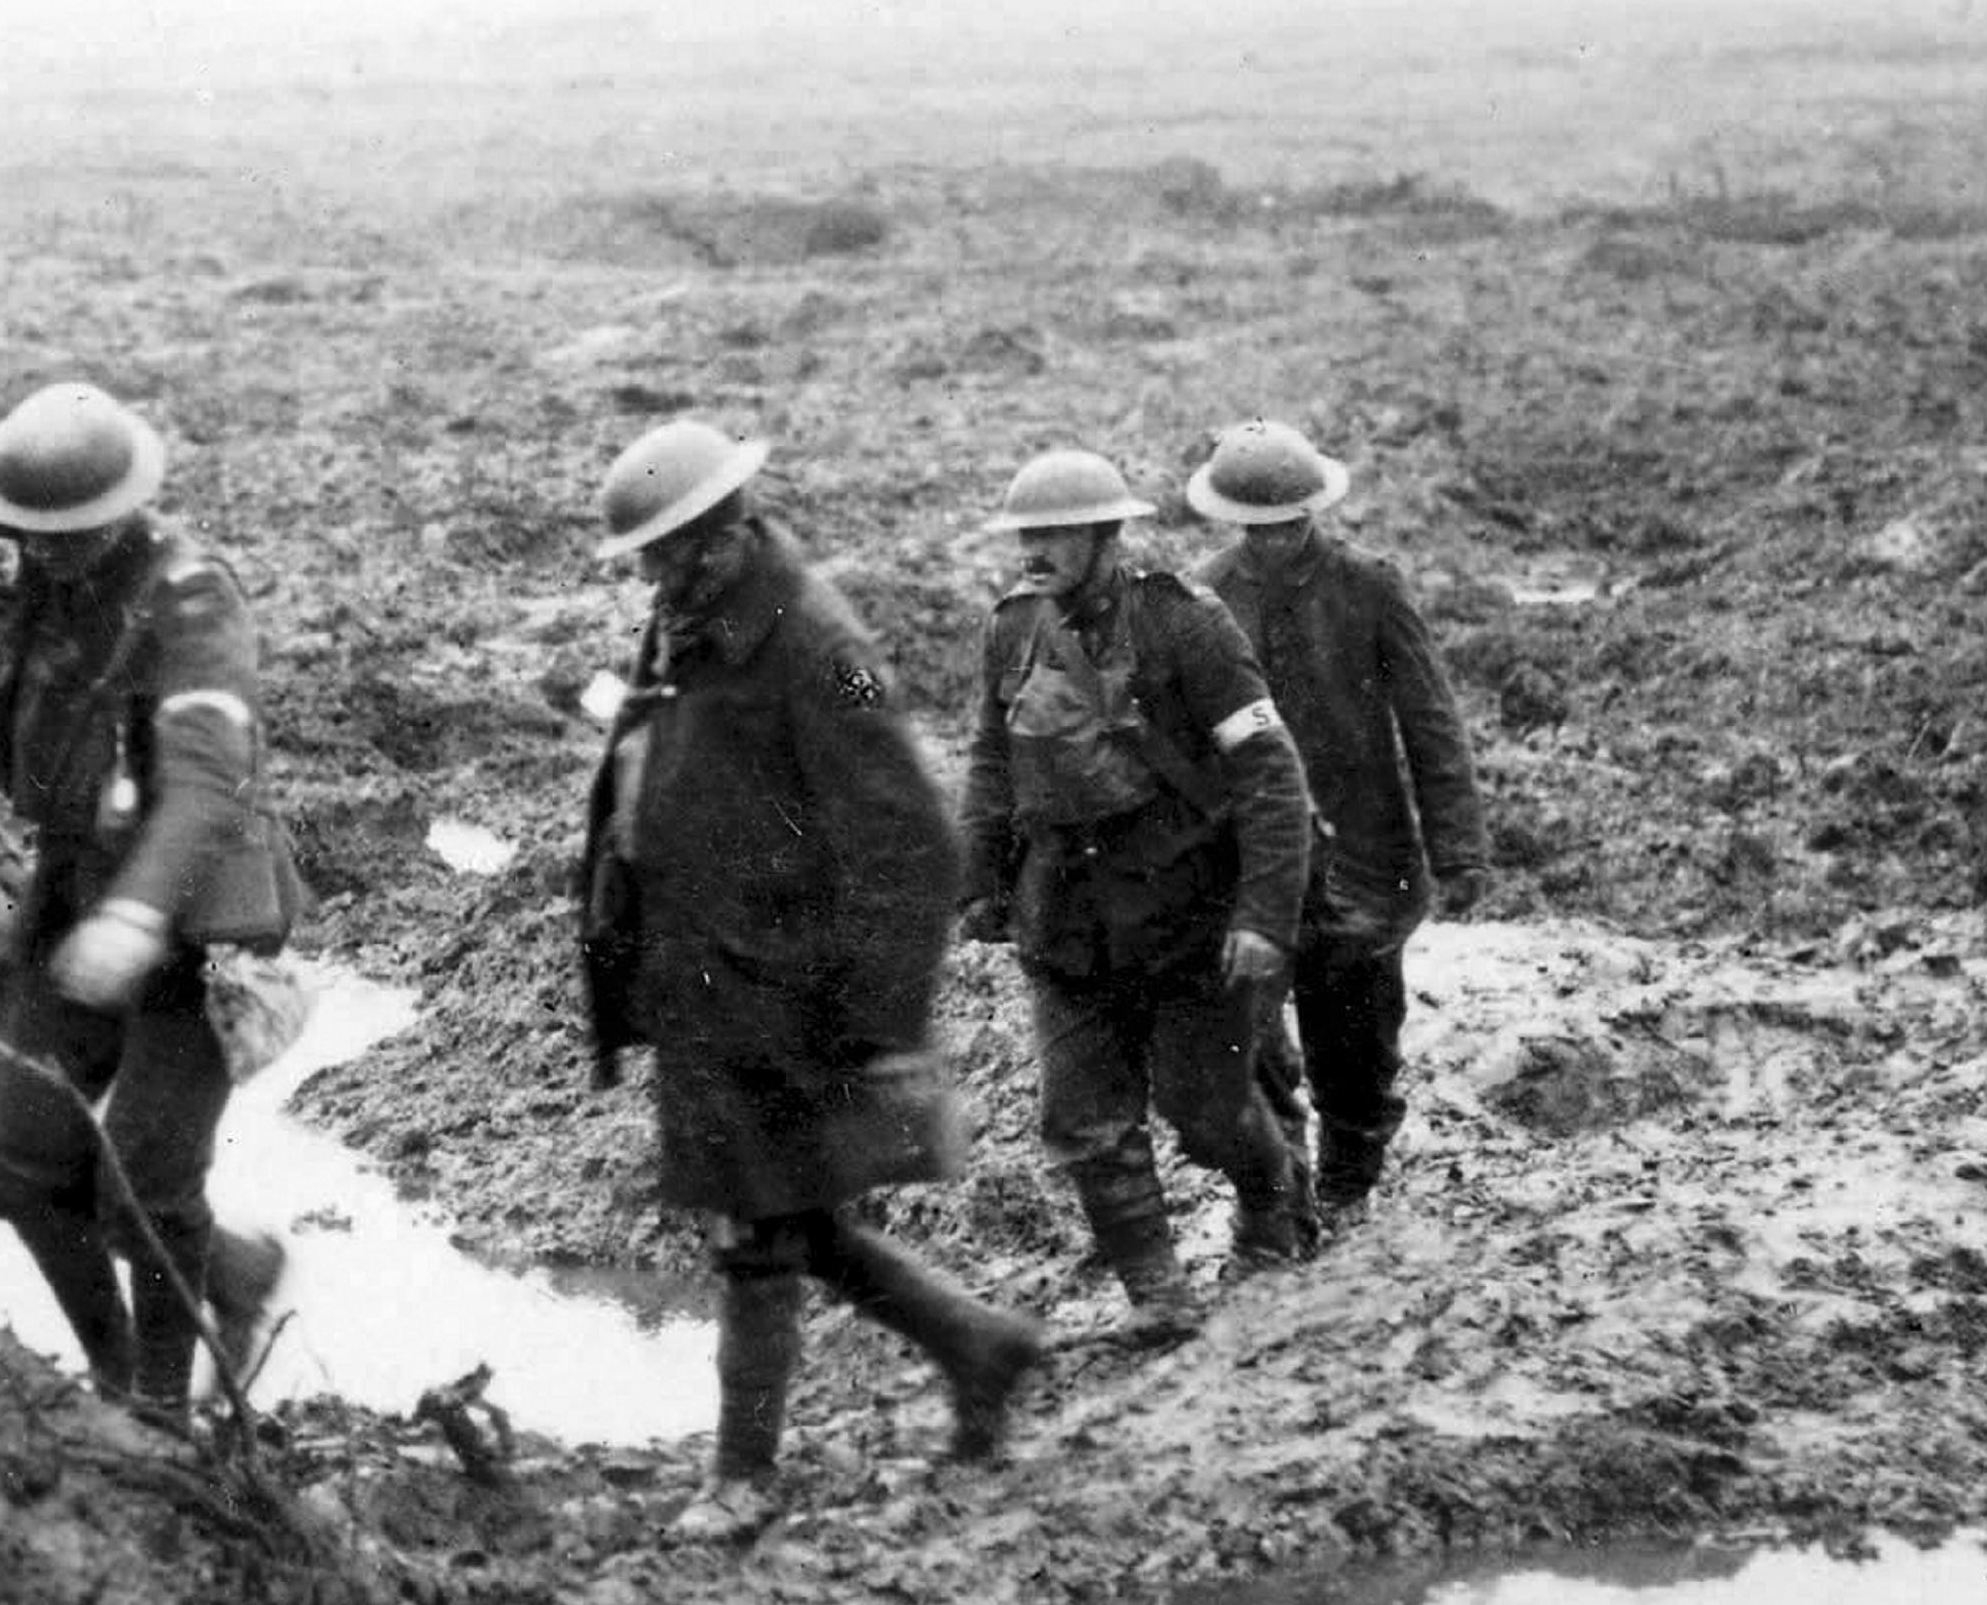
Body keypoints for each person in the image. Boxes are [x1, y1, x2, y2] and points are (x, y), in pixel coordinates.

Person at [578, 421, 1046, 1541]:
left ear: (724, 531)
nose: (652, 573)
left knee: (760, 1229)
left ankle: (742, 1480)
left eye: (668, 550)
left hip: (790, 984)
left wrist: (877, 1022)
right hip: (709, 973)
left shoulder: (821, 641)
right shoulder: (689, 618)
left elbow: (916, 837)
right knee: (787, 1213)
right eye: (645, 556)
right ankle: (981, 1345)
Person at [0, 382, 300, 1427]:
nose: (44, 551)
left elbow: (205, 780)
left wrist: (137, 916)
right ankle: (231, 1274)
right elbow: (15, 775)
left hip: (196, 927)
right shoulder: (46, 594)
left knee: (145, 1174)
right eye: (30, 534)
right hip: (73, 901)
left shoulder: (190, 595)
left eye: (67, 533)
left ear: (121, 511)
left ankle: (156, 1406)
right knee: (17, 1142)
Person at [960, 446, 1320, 1345]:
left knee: (1202, 1114)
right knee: (1082, 1120)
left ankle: (1273, 1210)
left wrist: (1264, 916)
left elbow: (1270, 774)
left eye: (1056, 534)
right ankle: (1159, 1292)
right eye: (1025, 534)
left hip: (1186, 912)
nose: (1034, 550)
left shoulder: (1184, 627)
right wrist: (978, 883)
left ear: (1105, 535)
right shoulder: (1010, 630)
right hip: (1065, 919)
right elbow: (991, 763)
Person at [1185, 419, 1486, 1222]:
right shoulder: (1205, 595)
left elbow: (1431, 722)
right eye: (1260, 527)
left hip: (1363, 852)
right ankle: (1280, 1195)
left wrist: (1458, 852)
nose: (1277, 540)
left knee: (1355, 1029)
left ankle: (1351, 1174)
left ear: (1315, 511)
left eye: (1292, 523)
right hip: (1252, 855)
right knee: (1249, 1031)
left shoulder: (1370, 587)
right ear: (1234, 521)